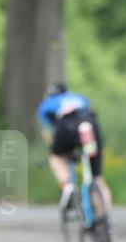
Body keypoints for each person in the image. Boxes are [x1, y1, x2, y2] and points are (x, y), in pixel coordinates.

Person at [37, 83, 113, 218]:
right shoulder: (79, 98)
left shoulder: (46, 105)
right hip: (89, 126)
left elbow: (49, 132)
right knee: (97, 178)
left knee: (56, 157)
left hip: (66, 128)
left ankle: (68, 187)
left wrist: (55, 148)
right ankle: (105, 220)